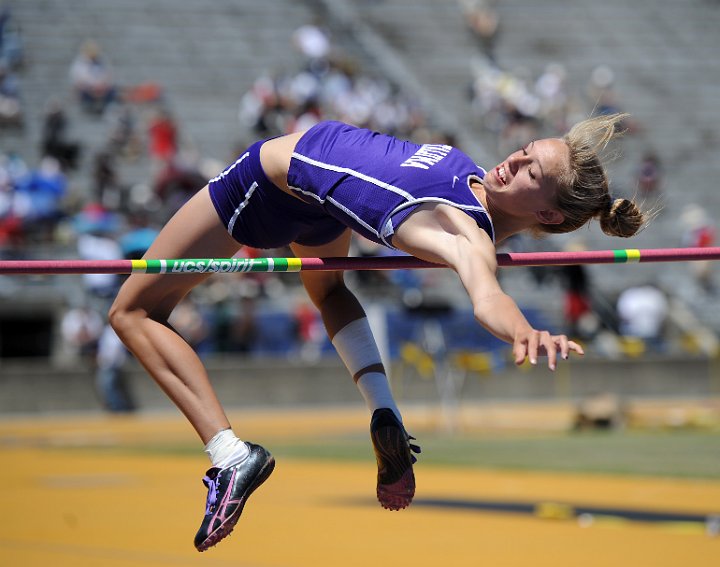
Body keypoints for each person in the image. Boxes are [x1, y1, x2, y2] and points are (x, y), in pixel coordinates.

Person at [109, 113, 645, 551]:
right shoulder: (474, 184)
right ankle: (384, 409)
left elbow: (487, 296)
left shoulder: (465, 233)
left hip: (270, 182)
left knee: (133, 313)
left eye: (532, 172)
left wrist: (524, 328)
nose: (516, 160)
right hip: (321, 208)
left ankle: (230, 454)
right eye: (527, 150)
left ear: (548, 215)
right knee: (331, 292)